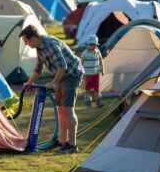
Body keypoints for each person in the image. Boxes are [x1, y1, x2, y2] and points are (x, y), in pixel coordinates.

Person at [20, 25, 84, 154]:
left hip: (72, 74)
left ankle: (72, 145)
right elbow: (38, 69)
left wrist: (54, 82)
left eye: (26, 42)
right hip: (61, 76)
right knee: (60, 109)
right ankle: (62, 142)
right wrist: (28, 83)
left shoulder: (49, 44)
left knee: (67, 109)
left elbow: (62, 66)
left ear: (32, 38)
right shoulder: (39, 48)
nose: (26, 45)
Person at [81, 35, 104, 108]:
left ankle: (98, 102)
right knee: (87, 89)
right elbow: (81, 63)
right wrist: (81, 72)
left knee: (96, 89)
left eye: (93, 44)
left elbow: (100, 60)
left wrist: (102, 69)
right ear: (87, 44)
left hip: (96, 73)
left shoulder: (97, 51)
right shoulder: (85, 53)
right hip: (87, 74)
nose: (92, 46)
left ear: (96, 44)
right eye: (90, 44)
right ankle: (88, 102)